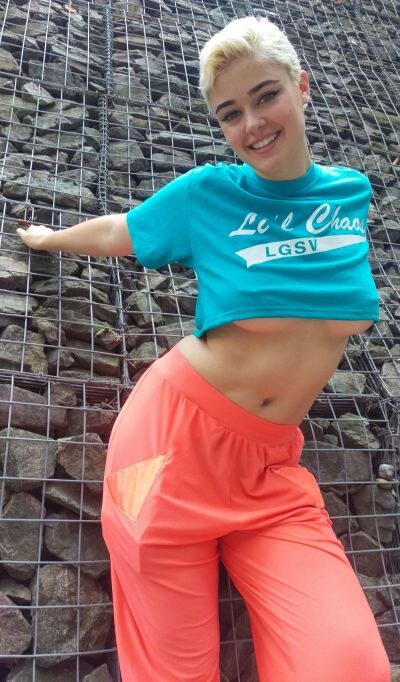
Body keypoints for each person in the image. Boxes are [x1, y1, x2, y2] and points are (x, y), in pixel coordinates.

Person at [17, 16, 390, 682]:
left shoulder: (350, 195)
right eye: (231, 113)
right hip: (169, 448)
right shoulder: (211, 194)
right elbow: (122, 232)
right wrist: (49, 239)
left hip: (269, 470)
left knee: (346, 664)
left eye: (266, 96)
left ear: (302, 87)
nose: (253, 124)